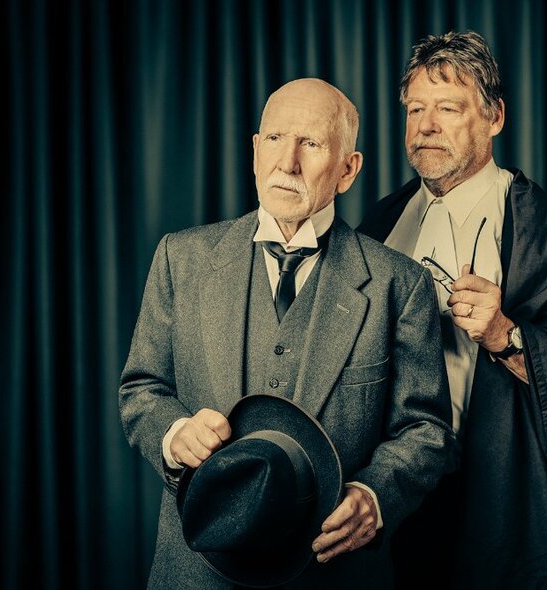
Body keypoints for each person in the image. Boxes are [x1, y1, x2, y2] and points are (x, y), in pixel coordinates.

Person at [119, 78, 454, 589]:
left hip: (336, 575)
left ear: (348, 169)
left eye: (312, 144)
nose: (287, 162)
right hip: (196, 572)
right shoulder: (179, 260)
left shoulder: (399, 285)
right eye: (275, 139)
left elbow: (425, 430)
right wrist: (173, 434)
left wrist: (374, 495)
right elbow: (141, 390)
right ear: (255, 150)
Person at [358, 31, 547, 588]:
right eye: (415, 109)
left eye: (447, 108)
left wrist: (507, 335)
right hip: (395, 495)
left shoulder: (535, 224)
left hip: (495, 494)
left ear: (494, 117)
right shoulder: (381, 224)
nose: (425, 126)